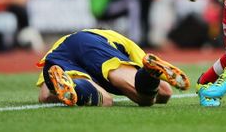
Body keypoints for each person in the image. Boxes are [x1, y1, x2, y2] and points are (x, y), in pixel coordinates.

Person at [36, 28, 190, 107]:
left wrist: (51, 92)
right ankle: (150, 74)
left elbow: (44, 96)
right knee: (144, 99)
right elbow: (166, 91)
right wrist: (153, 80)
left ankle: (75, 86)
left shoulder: (57, 46)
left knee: (104, 101)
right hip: (91, 44)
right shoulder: (113, 37)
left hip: (58, 56)